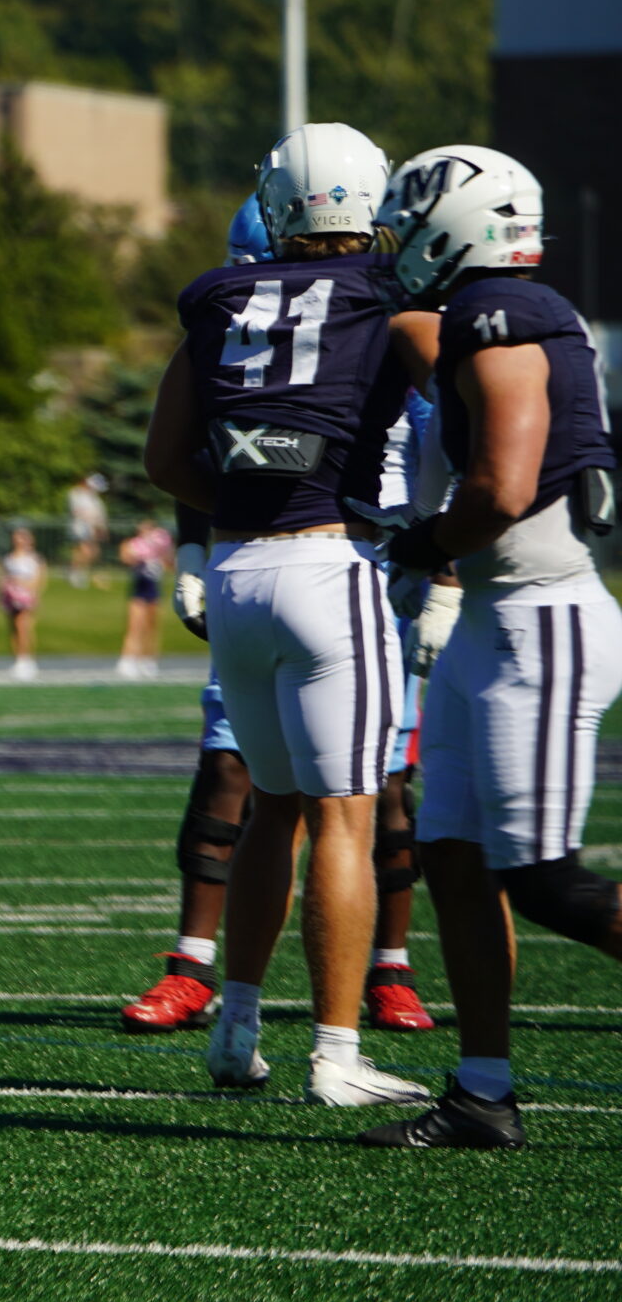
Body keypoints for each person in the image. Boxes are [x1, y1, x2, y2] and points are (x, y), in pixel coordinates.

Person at [143, 123, 436, 1105]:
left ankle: (235, 1029)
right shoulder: (388, 295)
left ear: (275, 203)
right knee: (345, 817)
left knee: (272, 807)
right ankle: (337, 1054)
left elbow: (163, 457)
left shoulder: (216, 299)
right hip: (329, 567)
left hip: (235, 574)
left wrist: (239, 506)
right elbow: (459, 396)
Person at [361, 145, 622, 1148]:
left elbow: (503, 488)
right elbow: (419, 342)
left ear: (448, 227)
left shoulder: (500, 315)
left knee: (543, 877)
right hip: (495, 620)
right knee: (455, 856)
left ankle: (484, 1092)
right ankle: (481, 1093)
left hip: (540, 619)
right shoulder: (495, 312)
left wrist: (421, 544)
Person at [115, 518, 172, 679]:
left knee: (152, 626)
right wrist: (140, 553)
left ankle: (148, 659)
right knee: (135, 625)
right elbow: (126, 558)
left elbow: (169, 563)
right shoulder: (132, 544)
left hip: (154, 588)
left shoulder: (159, 543)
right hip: (139, 588)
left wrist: (160, 555)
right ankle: (128, 658)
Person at [0, 527, 42, 681]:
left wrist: (26, 588)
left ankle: (26, 659)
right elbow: (2, 576)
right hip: (10, 595)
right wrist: (2, 590)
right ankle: (18, 658)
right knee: (13, 628)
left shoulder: (33, 558)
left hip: (24, 595)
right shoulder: (9, 558)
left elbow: (38, 578)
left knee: (23, 626)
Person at [66, 473, 109, 587]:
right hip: (80, 528)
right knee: (84, 551)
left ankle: (79, 572)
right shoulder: (76, 493)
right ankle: (75, 573)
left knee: (92, 552)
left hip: (91, 529)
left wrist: (101, 528)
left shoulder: (95, 499)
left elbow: (100, 516)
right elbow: (77, 511)